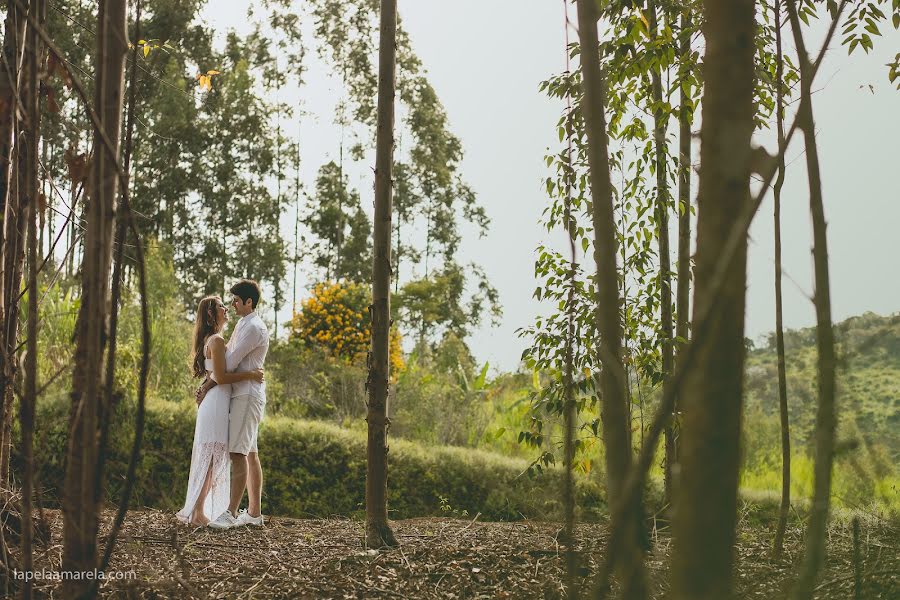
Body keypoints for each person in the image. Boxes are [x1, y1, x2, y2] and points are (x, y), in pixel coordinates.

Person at [176, 296, 264, 526]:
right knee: (211, 458)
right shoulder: (215, 340)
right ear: (211, 314)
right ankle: (197, 512)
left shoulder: (214, 339)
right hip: (216, 402)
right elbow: (223, 376)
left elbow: (216, 375)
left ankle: (199, 510)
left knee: (211, 458)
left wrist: (205, 386)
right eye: (221, 307)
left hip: (216, 400)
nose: (226, 309)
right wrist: (251, 375)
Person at [200, 279, 271, 529]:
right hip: (242, 393)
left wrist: (214, 371)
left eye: (236, 301)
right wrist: (210, 382)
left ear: (248, 302)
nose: (232, 305)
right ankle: (253, 514)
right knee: (250, 453)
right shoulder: (243, 323)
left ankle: (229, 513)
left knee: (238, 453)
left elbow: (228, 363)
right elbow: (226, 361)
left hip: (247, 395)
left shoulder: (253, 328)